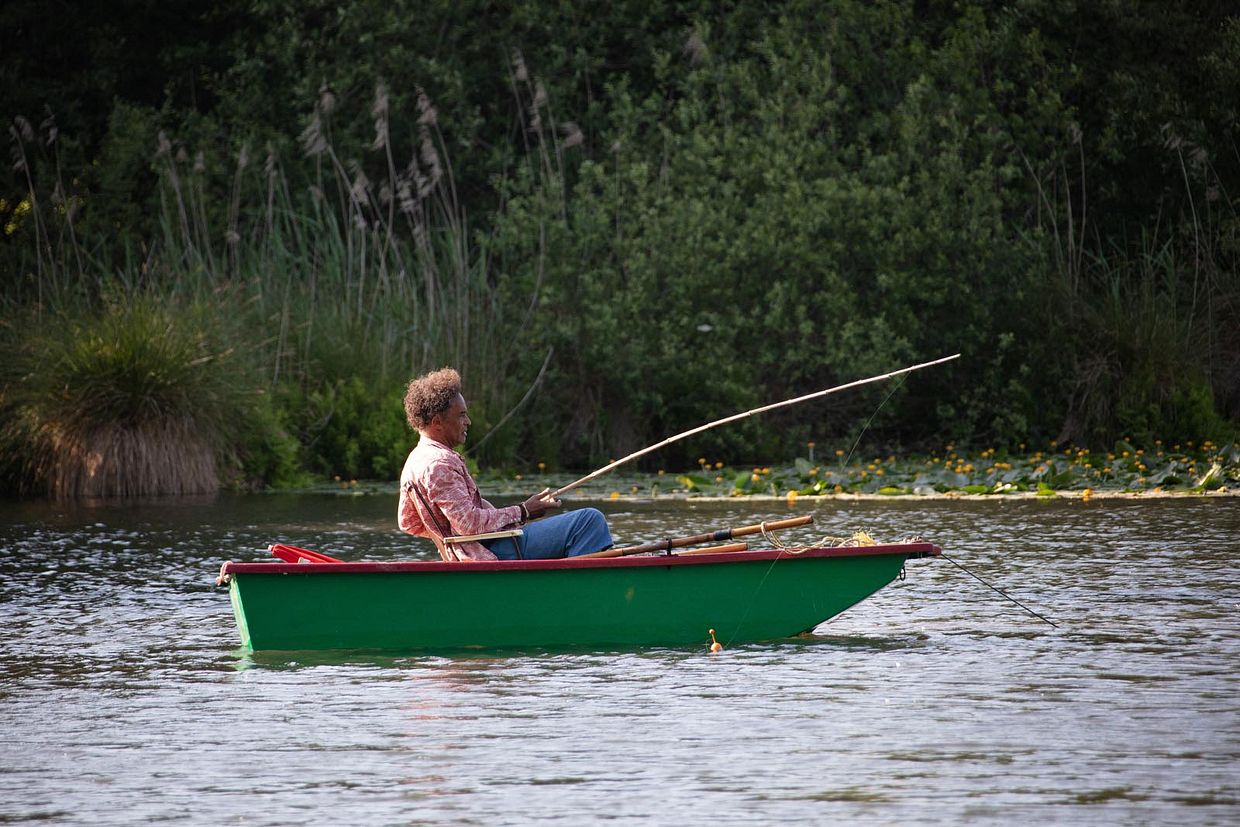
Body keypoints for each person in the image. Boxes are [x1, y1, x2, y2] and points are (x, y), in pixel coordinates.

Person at [398, 367, 613, 561]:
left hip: (488, 545)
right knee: (589, 521)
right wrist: (523, 511)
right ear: (437, 422)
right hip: (494, 551)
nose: (468, 422)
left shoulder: (414, 461)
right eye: (461, 415)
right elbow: (469, 524)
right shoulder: (439, 463)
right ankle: (580, 596)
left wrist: (448, 539)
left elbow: (407, 522)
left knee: (585, 525)